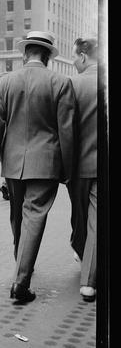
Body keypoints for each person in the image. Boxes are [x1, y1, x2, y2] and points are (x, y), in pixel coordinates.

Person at [0, 30, 76, 303]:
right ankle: (21, 282)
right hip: (46, 163)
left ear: (25, 54)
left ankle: (21, 265)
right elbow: (67, 132)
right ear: (47, 57)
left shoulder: (4, 82)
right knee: (34, 219)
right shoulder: (61, 82)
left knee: (18, 217)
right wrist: (68, 170)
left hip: (13, 164)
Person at [68, 38, 98, 302]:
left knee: (81, 218)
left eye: (74, 57)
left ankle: (88, 277)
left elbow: (65, 130)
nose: (73, 62)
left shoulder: (74, 85)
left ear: (84, 56)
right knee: (92, 221)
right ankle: (87, 271)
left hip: (78, 167)